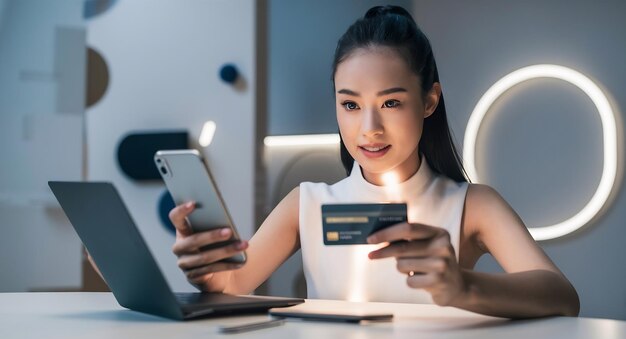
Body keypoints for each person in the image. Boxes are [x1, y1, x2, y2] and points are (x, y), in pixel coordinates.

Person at [169, 5, 579, 318]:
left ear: (429, 101)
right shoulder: (306, 203)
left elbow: (562, 296)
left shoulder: (473, 205)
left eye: (392, 102)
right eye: (350, 103)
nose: (370, 128)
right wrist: (205, 269)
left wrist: (463, 287)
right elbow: (232, 282)